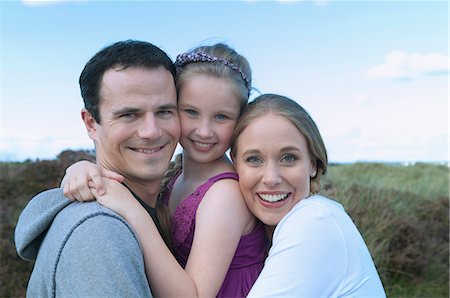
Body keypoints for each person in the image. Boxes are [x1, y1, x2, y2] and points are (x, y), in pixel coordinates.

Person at [60, 43, 266, 297]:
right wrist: (80, 167)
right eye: (190, 112)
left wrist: (134, 213)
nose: (203, 131)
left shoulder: (225, 194)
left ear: (240, 120)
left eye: (221, 117)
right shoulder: (176, 175)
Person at [14, 40, 181, 297]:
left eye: (165, 111)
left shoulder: (165, 203)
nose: (152, 131)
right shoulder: (98, 235)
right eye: (129, 114)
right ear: (91, 123)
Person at [230, 93, 386, 297]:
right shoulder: (265, 234)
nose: (271, 178)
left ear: (312, 163)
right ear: (234, 163)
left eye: (288, 158)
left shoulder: (314, 220)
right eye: (254, 159)